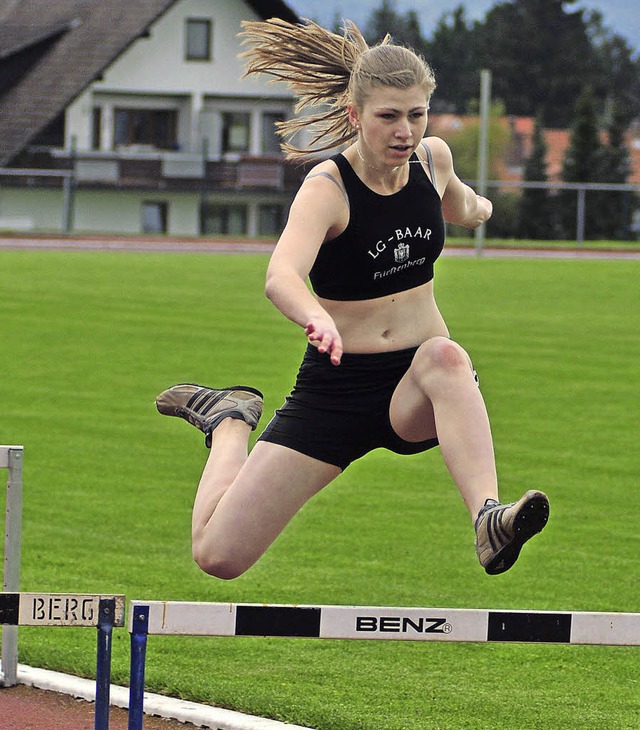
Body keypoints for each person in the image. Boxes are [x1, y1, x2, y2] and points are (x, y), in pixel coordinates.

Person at [156, 18, 549, 580]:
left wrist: (484, 209)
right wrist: (315, 315)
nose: (404, 130)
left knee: (447, 356)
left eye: (416, 115)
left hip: (413, 387)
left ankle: (488, 518)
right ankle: (228, 422)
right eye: (388, 116)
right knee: (218, 556)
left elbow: (461, 206)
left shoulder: (433, 162)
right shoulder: (328, 189)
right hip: (336, 389)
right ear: (354, 116)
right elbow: (281, 275)